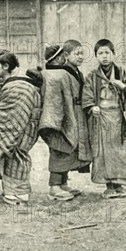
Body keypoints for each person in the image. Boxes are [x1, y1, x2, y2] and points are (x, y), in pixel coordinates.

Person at [83, 39, 126, 199]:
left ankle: (120, 185)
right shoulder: (92, 77)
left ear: (113, 54)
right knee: (104, 152)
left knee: (120, 152)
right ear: (96, 56)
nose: (104, 56)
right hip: (101, 119)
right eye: (100, 53)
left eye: (107, 52)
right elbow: (86, 94)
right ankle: (109, 186)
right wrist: (91, 107)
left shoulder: (123, 72)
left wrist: (124, 86)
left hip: (120, 118)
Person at [38, 44, 92, 201]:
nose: (81, 56)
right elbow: (53, 98)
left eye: (83, 53)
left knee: (70, 148)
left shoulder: (73, 72)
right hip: (61, 115)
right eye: (77, 53)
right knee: (60, 147)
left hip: (74, 113)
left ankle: (62, 183)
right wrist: (57, 118)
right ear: (64, 56)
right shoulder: (57, 74)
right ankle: (54, 186)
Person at [0, 53, 43, 205]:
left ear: (5, 67)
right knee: (18, 155)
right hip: (27, 126)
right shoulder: (16, 83)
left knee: (15, 154)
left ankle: (15, 192)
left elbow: (8, 113)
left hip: (21, 126)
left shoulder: (16, 86)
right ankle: (19, 192)